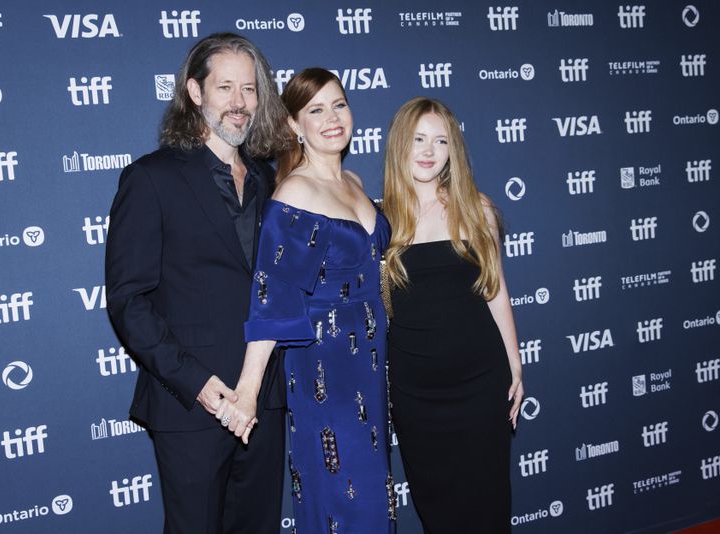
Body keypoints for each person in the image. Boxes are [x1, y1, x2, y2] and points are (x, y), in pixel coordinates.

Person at [105, 33, 291, 534]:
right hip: (191, 406)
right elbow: (128, 301)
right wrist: (202, 386)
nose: (238, 103)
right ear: (194, 91)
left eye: (249, 90)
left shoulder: (269, 181)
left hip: (265, 399)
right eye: (225, 87)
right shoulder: (151, 178)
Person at [215, 68, 396, 533]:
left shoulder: (354, 181)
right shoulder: (296, 191)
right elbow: (273, 295)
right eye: (315, 110)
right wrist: (248, 392)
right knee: (341, 494)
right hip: (326, 366)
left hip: (370, 363)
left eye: (339, 104)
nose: (332, 118)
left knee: (372, 492)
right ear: (295, 125)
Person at [382, 97, 524, 534]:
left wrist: (515, 366)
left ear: (452, 150)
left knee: (488, 503)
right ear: (401, 145)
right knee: (437, 507)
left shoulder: (475, 208)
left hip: (481, 382)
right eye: (419, 139)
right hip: (416, 392)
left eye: (441, 140)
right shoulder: (380, 220)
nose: (429, 150)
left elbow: (495, 291)